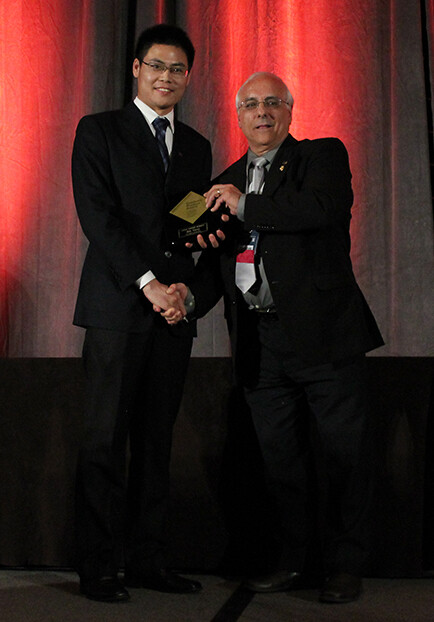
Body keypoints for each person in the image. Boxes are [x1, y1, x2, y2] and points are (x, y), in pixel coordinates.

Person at [184, 71, 384, 603]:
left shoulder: (321, 157)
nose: (263, 111)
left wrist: (245, 205)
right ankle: (294, 562)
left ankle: (343, 567)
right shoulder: (222, 180)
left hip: (324, 337)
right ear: (239, 115)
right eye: (251, 104)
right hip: (259, 343)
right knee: (281, 465)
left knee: (344, 457)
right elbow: (209, 259)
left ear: (290, 111)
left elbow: (319, 210)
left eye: (274, 102)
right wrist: (184, 298)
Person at [72, 24, 217, 602]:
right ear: (136, 68)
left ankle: (150, 561)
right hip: (117, 309)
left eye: (178, 69)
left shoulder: (197, 147)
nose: (167, 77)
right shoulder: (99, 130)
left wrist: (184, 292)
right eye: (156, 66)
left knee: (157, 442)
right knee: (104, 441)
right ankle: (100, 567)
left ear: (188, 76)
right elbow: (99, 217)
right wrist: (149, 282)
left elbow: (189, 228)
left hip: (171, 316)